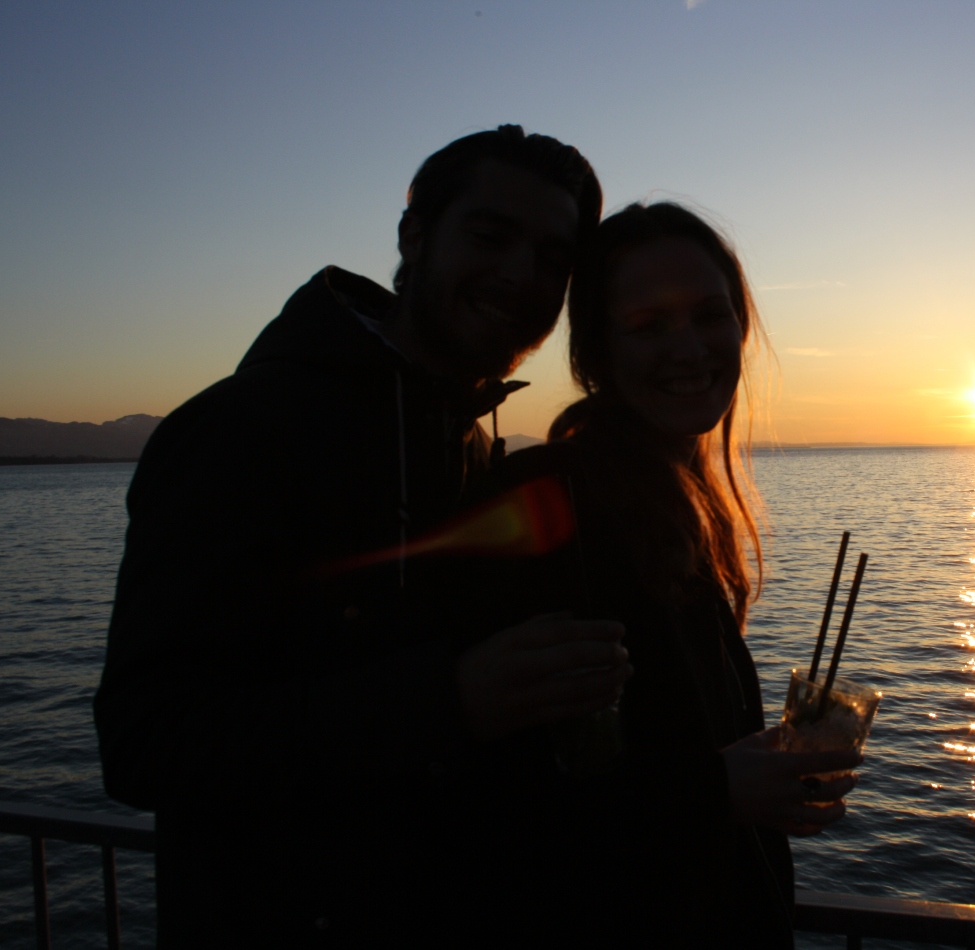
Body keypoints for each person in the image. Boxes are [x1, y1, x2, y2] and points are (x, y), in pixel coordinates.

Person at [92, 126, 634, 947]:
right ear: (414, 236)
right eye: (489, 237)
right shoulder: (240, 430)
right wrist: (447, 699)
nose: (520, 276)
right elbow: (146, 743)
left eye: (551, 258)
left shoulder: (469, 443)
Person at [472, 202, 862, 947]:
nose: (687, 348)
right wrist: (715, 791)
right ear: (597, 353)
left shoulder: (676, 506)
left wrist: (745, 780)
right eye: (648, 325)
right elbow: (500, 803)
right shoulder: (554, 504)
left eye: (709, 315)